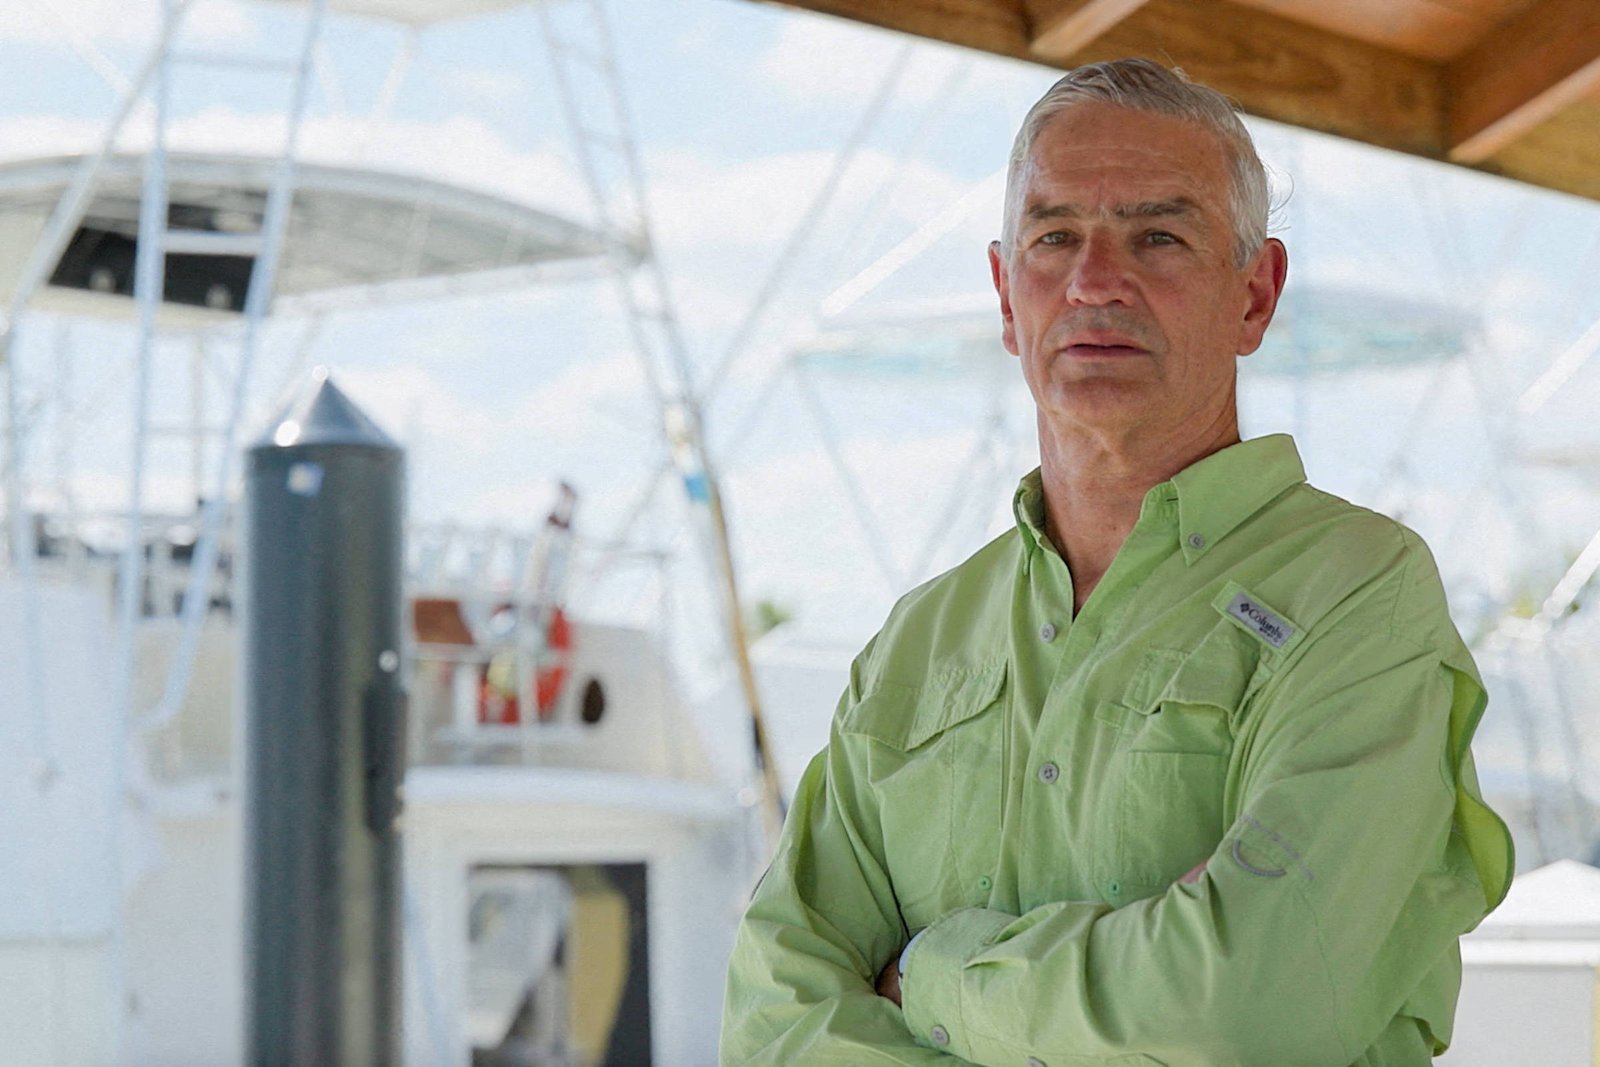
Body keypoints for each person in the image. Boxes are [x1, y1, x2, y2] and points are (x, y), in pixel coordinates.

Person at [719, 58, 1515, 1066]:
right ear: (1007, 297)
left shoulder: (1359, 592)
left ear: (1254, 295)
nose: (1096, 281)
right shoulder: (919, 638)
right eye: (1054, 238)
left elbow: (1243, 1005)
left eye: (1158, 236)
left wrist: (931, 974)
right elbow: (767, 1021)